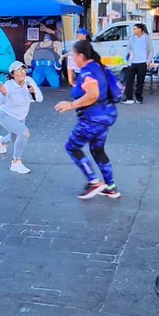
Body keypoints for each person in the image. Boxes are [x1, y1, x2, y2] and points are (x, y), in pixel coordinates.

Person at [54, 40, 120, 199]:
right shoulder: (99, 67)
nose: (73, 59)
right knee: (97, 149)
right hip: (106, 115)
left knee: (72, 147)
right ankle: (111, 187)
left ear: (81, 56)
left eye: (74, 55)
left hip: (92, 119)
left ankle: (93, 182)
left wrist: (71, 105)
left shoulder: (87, 72)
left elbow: (93, 94)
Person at [0, 60, 43, 174]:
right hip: (5, 116)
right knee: (24, 132)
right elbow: (1, 101)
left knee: (14, 137)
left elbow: (40, 99)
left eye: (23, 70)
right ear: (12, 74)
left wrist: (34, 92)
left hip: (20, 117)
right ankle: (16, 162)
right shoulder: (9, 85)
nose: (22, 72)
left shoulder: (29, 81)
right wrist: (3, 93)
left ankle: (2, 141)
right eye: (18, 70)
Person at [122, 23, 155, 104]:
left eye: (135, 29)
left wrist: (147, 61)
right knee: (129, 81)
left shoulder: (146, 38)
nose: (133, 30)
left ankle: (139, 97)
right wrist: (131, 52)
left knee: (140, 82)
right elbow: (128, 48)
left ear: (140, 29)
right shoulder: (132, 38)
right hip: (132, 62)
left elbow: (151, 51)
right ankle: (129, 98)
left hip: (142, 63)